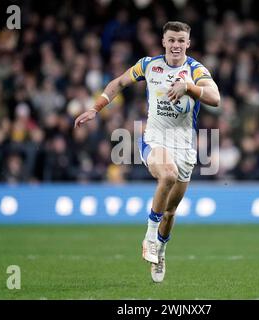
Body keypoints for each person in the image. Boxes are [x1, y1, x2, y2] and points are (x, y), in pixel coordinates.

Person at [74, 21, 220, 282]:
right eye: (171, 40)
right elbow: (118, 83)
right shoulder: (148, 65)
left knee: (171, 211)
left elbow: (215, 98)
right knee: (168, 174)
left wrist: (188, 87)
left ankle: (161, 250)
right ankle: (150, 236)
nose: (176, 45)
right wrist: (95, 109)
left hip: (184, 147)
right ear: (163, 42)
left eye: (181, 40)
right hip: (154, 139)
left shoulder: (195, 70)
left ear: (188, 43)